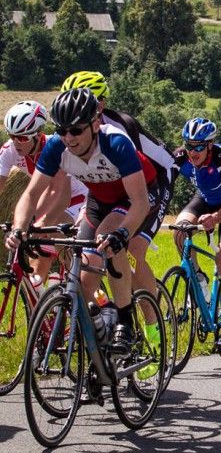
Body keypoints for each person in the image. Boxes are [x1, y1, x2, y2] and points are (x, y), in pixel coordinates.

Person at [7, 88, 163, 353]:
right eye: (62, 130)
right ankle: (99, 334)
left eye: (76, 130)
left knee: (109, 238)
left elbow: (140, 202)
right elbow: (31, 194)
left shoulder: (115, 143)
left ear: (95, 124)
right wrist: (19, 228)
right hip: (99, 200)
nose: (69, 138)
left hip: (136, 196)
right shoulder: (57, 147)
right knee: (84, 276)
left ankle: (125, 321)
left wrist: (122, 234)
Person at [61, 71, 176, 307]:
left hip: (156, 181)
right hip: (115, 190)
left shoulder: (118, 128)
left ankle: (153, 320)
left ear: (101, 104)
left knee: (133, 248)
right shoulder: (76, 135)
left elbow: (154, 171)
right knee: (93, 256)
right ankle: (107, 310)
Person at [172, 118, 221, 351]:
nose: (192, 152)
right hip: (205, 197)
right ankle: (198, 278)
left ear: (210, 145)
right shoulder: (180, 157)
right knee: (179, 231)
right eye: (189, 145)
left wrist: (214, 218)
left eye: (198, 147)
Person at [2, 100, 88, 286]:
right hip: (48, 196)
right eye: (12, 135)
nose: (16, 142)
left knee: (51, 237)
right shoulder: (9, 150)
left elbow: (60, 195)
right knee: (36, 267)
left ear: (37, 134)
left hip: (78, 198)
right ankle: (40, 294)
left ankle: (82, 291)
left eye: (22, 138)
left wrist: (35, 222)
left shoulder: (55, 148)